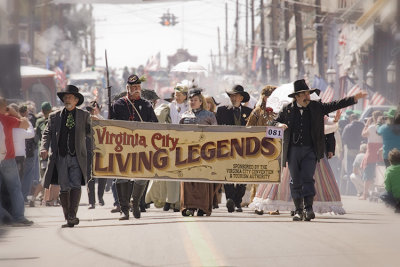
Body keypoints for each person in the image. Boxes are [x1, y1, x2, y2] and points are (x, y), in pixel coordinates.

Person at [275, 79, 367, 221]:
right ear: (297, 96)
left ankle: (308, 209)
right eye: (305, 94)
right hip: (292, 151)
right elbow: (273, 122)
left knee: (308, 178)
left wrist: (354, 99)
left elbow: (336, 104)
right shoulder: (287, 109)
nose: (308, 96)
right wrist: (279, 124)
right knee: (295, 180)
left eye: (308, 93)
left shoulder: (316, 107)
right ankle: (298, 210)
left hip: (310, 150)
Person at [40, 85, 91, 228]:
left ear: (76, 100)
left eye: (70, 97)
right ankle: (68, 216)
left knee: (75, 184)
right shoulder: (54, 116)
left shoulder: (84, 115)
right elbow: (47, 133)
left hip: (77, 157)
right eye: (65, 97)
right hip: (60, 158)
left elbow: (91, 133)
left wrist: (95, 124)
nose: (67, 99)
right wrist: (44, 147)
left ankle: (72, 215)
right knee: (64, 188)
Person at [109, 74, 158, 220]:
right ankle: (124, 209)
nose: (136, 90)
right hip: (122, 148)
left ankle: (135, 202)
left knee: (141, 178)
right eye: (133, 87)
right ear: (127, 88)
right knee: (121, 178)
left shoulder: (147, 105)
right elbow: (110, 126)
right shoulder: (118, 105)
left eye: (138, 87)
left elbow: (155, 126)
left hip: (141, 148)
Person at [179, 88, 218, 216]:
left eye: (195, 100)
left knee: (202, 180)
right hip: (187, 153)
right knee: (188, 181)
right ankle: (187, 206)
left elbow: (216, 134)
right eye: (190, 100)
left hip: (204, 153)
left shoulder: (209, 115)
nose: (192, 102)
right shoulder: (184, 115)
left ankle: (202, 207)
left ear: (201, 101)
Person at [216, 84, 253, 212]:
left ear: (241, 97)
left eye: (235, 95)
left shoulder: (249, 112)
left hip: (244, 149)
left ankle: (237, 201)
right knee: (227, 174)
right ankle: (230, 199)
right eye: (231, 95)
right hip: (227, 148)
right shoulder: (222, 111)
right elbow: (215, 129)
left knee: (243, 176)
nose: (233, 98)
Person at [0, 96, 33, 226]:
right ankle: (19, 217)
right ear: (4, 107)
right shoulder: (7, 119)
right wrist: (15, 112)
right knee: (14, 188)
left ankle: (4, 215)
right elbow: (25, 124)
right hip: (7, 158)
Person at [245, 85, 277, 207]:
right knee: (259, 176)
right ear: (264, 98)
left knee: (274, 176)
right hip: (259, 147)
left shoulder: (279, 111)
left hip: (275, 148)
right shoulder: (257, 111)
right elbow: (248, 129)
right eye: (270, 96)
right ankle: (256, 201)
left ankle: (272, 204)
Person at [29, 101, 53, 207]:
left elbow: (36, 138)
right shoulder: (54, 120)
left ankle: (44, 198)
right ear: (50, 110)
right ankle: (42, 198)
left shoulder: (39, 121)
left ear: (42, 111)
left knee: (44, 175)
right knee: (50, 176)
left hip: (42, 151)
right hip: (52, 152)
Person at [359, 111, 383, 200]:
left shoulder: (372, 127)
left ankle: (365, 194)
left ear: (373, 117)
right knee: (380, 174)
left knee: (368, 175)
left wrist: (367, 124)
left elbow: (363, 134)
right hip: (380, 153)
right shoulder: (383, 127)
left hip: (371, 153)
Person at [341, 113, 365, 182]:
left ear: (350, 119)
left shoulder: (348, 126)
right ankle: (360, 185)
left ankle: (351, 187)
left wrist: (346, 145)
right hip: (360, 150)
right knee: (360, 169)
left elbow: (343, 138)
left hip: (350, 149)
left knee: (350, 168)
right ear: (357, 118)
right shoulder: (362, 125)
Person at [380, 148, 400, 213]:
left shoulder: (389, 170)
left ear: (390, 160)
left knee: (382, 195)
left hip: (395, 196)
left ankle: (396, 205)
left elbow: (387, 187)